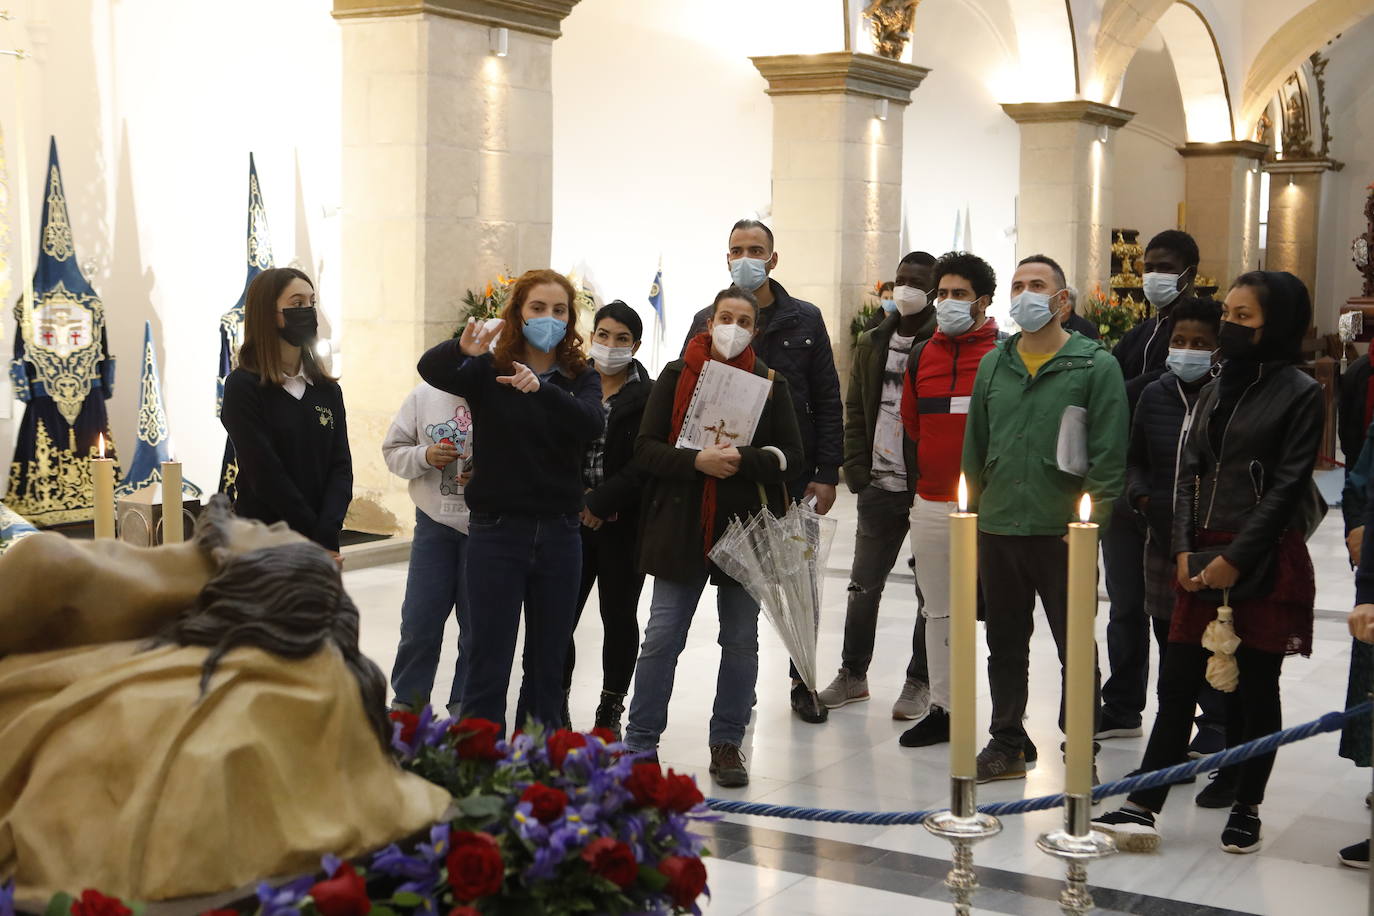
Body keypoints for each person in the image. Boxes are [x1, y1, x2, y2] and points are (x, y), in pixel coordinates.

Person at [0, 497, 450, 900]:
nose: (275, 525)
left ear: (252, 568)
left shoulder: (53, 565)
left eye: (279, 535)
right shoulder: (100, 599)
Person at [1093, 270, 1322, 855]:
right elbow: (1188, 473)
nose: (1230, 327)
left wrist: (1236, 559)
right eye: (1229, 315)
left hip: (1262, 553)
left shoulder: (1300, 391)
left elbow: (1287, 488)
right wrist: (1182, 548)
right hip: (1199, 549)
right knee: (1178, 681)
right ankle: (1143, 803)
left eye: (1244, 317)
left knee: (1255, 689)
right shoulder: (1219, 384)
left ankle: (1246, 804)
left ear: (1276, 324)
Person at [626, 286, 803, 788]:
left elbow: (792, 456)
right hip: (681, 527)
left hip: (744, 530)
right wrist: (696, 461)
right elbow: (645, 449)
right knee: (662, 637)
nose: (733, 328)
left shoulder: (771, 383)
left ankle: (727, 742)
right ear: (709, 323)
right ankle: (639, 741)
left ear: (755, 330)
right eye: (726, 317)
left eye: (744, 321)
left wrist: (743, 459)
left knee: (741, 641)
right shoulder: (676, 375)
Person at [961, 254, 1128, 783]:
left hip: (1063, 532)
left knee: (1074, 644)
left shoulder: (1094, 365)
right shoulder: (995, 363)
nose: (1024, 294)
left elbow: (1109, 457)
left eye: (1037, 285)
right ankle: (1007, 740)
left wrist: (1091, 526)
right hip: (999, 527)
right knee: (1004, 643)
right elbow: (975, 447)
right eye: (1017, 286)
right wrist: (973, 517)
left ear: (1061, 300)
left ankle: (1080, 747)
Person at [417, 269, 603, 733]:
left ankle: (534, 757)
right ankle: (480, 757)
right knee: (488, 654)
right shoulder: (490, 368)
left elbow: (590, 422)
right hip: (497, 530)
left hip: (560, 532)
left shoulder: (580, 375)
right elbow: (431, 369)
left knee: (548, 658)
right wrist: (462, 349)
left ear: (570, 318)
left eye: (559, 310)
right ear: (519, 313)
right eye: (538, 308)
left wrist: (542, 389)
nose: (549, 317)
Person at [682, 219, 845, 723]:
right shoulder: (707, 318)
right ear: (726, 258)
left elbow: (827, 397)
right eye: (737, 250)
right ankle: (741, 690)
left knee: (800, 582)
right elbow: (687, 394)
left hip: (792, 472)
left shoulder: (804, 318)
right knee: (742, 588)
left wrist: (828, 470)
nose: (746, 258)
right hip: (730, 473)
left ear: (773, 259)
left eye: (756, 250)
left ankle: (804, 680)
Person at [818, 252, 938, 720]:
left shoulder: (940, 343)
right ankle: (853, 674)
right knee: (862, 586)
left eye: (917, 282)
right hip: (878, 485)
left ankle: (920, 681)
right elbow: (855, 410)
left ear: (933, 291)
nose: (905, 289)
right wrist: (858, 472)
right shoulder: (872, 341)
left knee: (930, 594)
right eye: (900, 280)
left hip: (925, 487)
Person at [1123, 296, 1233, 807]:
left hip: (1213, 545)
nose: (1186, 350)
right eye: (1179, 341)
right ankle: (1172, 746)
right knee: (1170, 645)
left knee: (1219, 648)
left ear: (1218, 349)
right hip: (1162, 539)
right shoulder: (1155, 394)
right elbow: (1135, 459)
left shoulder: (1231, 397)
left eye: (1199, 343)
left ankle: (1221, 745)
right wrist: (1142, 497)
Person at [1099, 230, 1203, 747]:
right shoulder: (1140, 333)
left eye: (1164, 267)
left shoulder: (1198, 335)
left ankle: (1192, 715)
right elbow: (1109, 381)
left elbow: (1139, 388)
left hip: (1173, 494)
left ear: (1189, 273)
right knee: (1125, 606)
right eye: (1148, 267)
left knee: (1179, 615)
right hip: (1126, 485)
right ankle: (1122, 705)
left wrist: (1114, 395)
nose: (1153, 276)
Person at [896, 251, 1003, 748]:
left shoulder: (1003, 354)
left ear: (983, 302)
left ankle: (1007, 723)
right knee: (937, 610)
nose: (947, 302)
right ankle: (944, 709)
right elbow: (913, 425)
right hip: (932, 502)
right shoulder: (922, 354)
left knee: (1003, 616)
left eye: (960, 294)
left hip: (994, 508)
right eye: (942, 293)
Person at [564, 301, 655, 736]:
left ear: (635, 346)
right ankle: (556, 700)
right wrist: (579, 499)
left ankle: (610, 708)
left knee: (619, 618)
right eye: (603, 335)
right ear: (591, 336)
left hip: (624, 525)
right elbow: (551, 447)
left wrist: (601, 503)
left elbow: (648, 460)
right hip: (569, 522)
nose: (610, 344)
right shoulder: (570, 385)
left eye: (622, 338)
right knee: (559, 617)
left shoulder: (650, 395)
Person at [220, 267, 352, 562]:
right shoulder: (243, 386)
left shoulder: (327, 390)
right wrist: (313, 538)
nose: (308, 311)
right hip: (264, 541)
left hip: (321, 540)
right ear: (268, 314)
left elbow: (340, 467)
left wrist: (328, 533)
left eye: (311, 302)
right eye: (297, 303)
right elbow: (265, 473)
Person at [382, 381, 475, 715]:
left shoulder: (504, 391)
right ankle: (408, 703)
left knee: (478, 627)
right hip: (434, 524)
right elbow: (392, 452)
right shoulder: (424, 395)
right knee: (419, 621)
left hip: (488, 528)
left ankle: (467, 707)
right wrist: (425, 455)